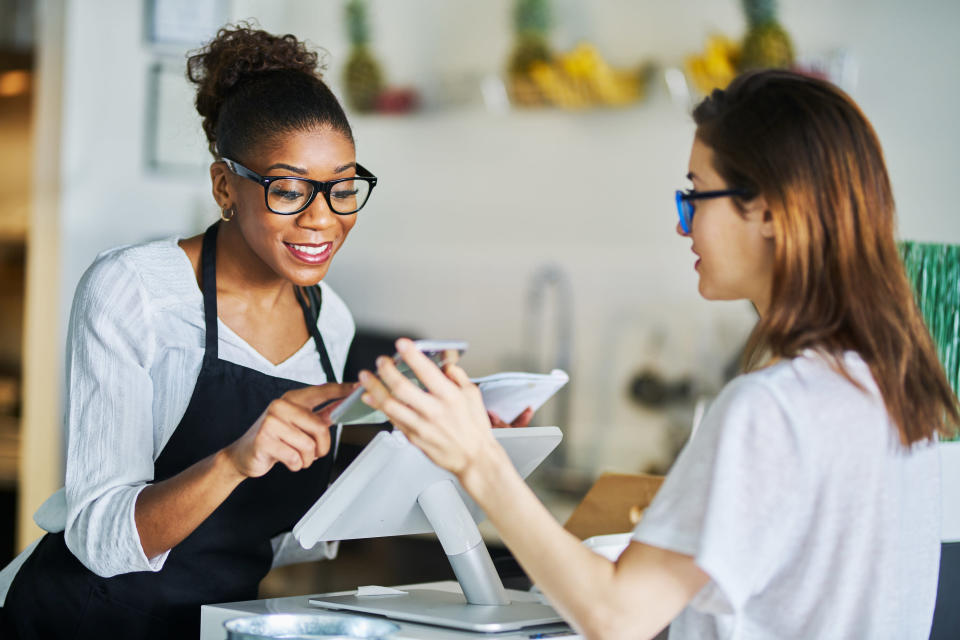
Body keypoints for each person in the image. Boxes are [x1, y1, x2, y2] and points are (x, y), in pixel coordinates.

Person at [359, 70, 959, 639]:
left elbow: (618, 616)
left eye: (697, 196)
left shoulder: (771, 408)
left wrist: (478, 462)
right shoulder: (894, 389)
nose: (683, 225)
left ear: (772, 210)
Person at [0, 25, 373, 638]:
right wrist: (233, 460)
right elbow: (98, 538)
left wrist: (430, 454)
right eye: (288, 189)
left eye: (342, 188)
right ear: (225, 186)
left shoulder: (330, 318)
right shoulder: (135, 289)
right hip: (81, 620)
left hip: (216, 624)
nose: (321, 218)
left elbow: (280, 537)